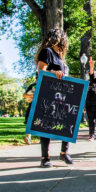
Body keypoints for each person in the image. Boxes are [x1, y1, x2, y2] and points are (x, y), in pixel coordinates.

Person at [35, 28, 73, 168]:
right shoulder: (47, 52)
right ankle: (45, 157)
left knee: (68, 122)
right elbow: (41, 71)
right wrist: (53, 72)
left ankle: (64, 152)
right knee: (46, 126)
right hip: (49, 94)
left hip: (62, 95)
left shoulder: (59, 57)